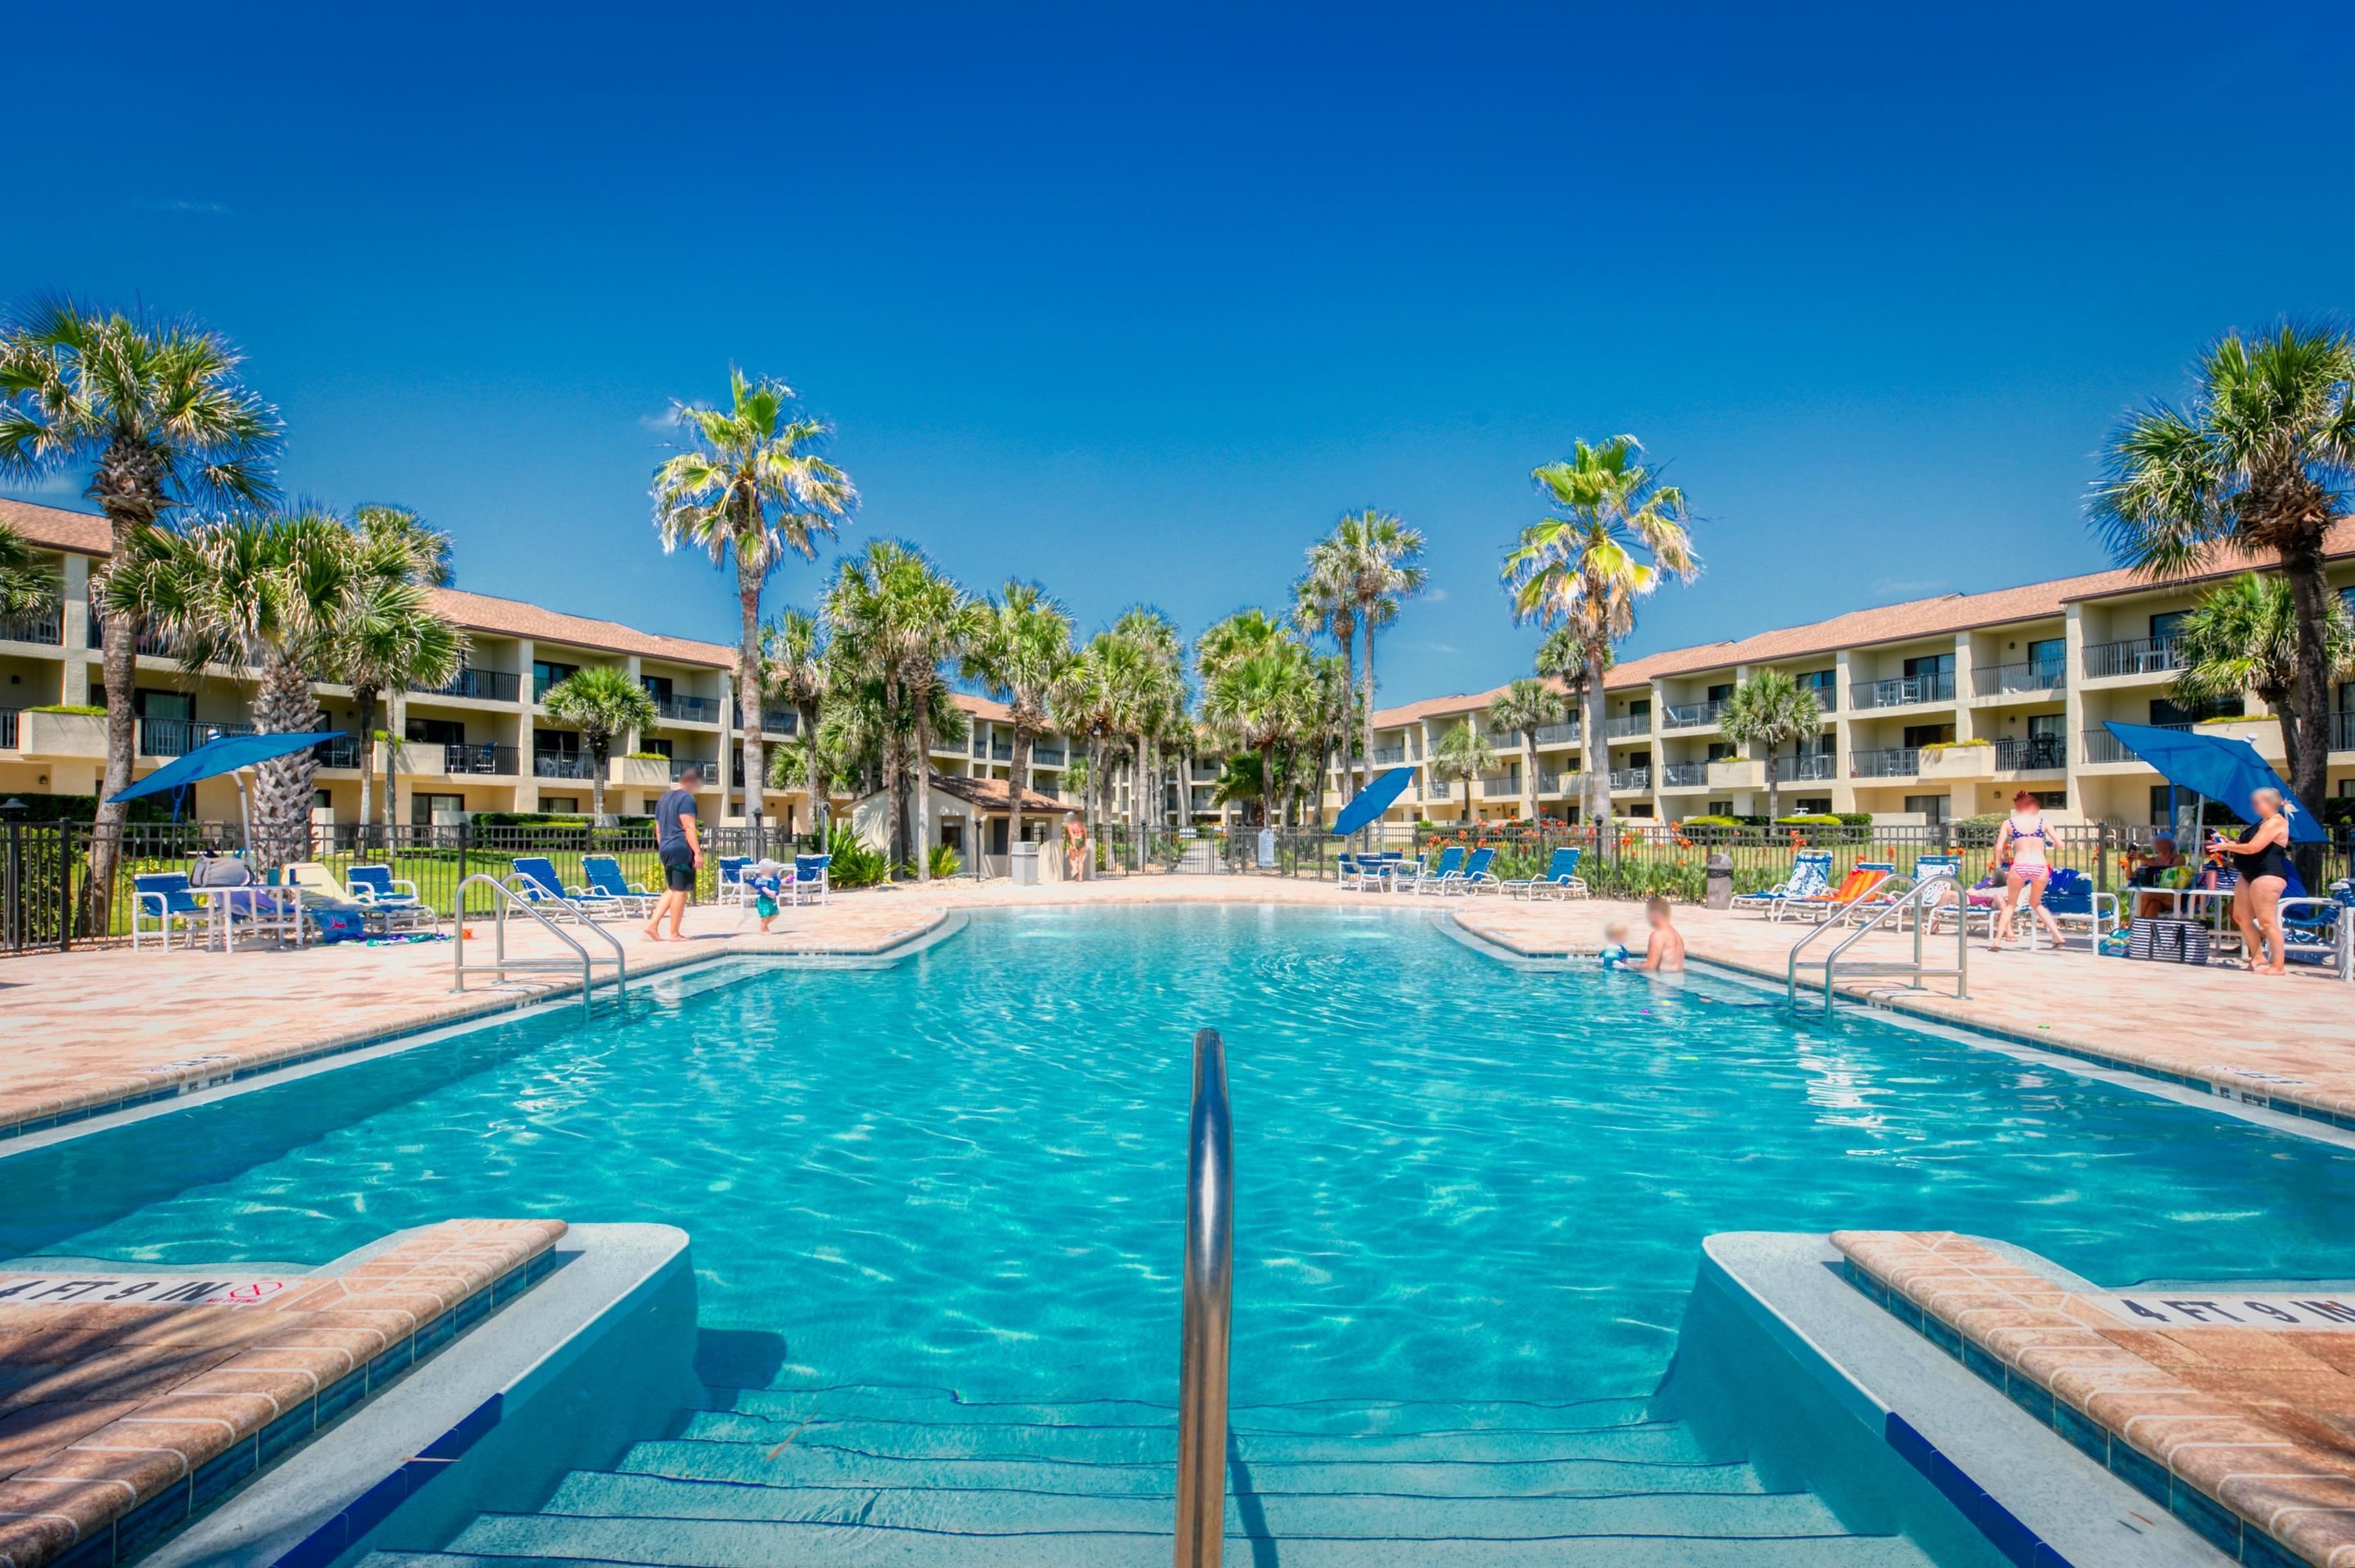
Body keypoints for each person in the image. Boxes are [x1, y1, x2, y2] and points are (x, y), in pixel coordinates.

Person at [2211, 788, 2295, 975]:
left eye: (2257, 802)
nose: (2254, 806)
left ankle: (2278, 965)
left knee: (2266, 921)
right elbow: (2247, 845)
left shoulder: (2276, 822)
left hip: (2267, 874)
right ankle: (2258, 957)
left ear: (2271, 803)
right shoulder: (2262, 822)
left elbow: (2253, 848)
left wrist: (2226, 846)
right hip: (2248, 874)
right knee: (2241, 916)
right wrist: (2229, 842)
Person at [1989, 790, 2066, 951]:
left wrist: (1999, 865)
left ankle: (1997, 941)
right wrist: (2051, 845)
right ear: (2033, 807)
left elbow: (1998, 848)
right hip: (2040, 866)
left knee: (2011, 905)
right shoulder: (2043, 823)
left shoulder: (2009, 823)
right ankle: (2057, 935)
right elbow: (2061, 844)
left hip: (2020, 865)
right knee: (2036, 903)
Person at [644, 765, 704, 941]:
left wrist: (663, 845)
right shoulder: (687, 799)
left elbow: (658, 828)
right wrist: (697, 852)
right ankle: (674, 933)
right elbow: (689, 826)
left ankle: (652, 925)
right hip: (680, 848)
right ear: (692, 782)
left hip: (666, 847)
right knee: (681, 891)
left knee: (673, 888)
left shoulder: (663, 799)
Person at [2125, 834, 2187, 922]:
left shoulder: (2179, 859)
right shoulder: (2150, 860)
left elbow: (2167, 871)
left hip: (2174, 897)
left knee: (2150, 894)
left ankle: (2133, 925)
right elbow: (2130, 878)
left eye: (2161, 841)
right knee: (2153, 905)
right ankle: (2147, 933)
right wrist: (2130, 863)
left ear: (2170, 844)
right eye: (2156, 841)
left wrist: (2146, 860)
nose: (2158, 843)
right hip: (2155, 899)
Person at [1624, 895, 1685, 973]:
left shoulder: (1658, 935)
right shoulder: (1677, 935)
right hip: (1676, 981)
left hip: (1664, 983)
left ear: (1654, 914)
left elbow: (1650, 966)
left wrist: (1627, 966)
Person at [1062, 811, 1087, 881]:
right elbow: (1085, 833)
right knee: (1080, 860)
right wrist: (1084, 842)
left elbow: (1072, 836)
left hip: (1075, 841)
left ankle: (1075, 871)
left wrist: (1074, 846)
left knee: (1071, 859)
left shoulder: (1069, 825)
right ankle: (1080, 878)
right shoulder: (1081, 824)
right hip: (1081, 840)